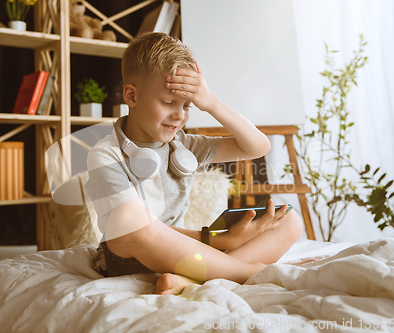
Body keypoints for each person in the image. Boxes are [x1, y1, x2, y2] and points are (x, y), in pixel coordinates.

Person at [85, 32, 303, 295]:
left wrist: (211, 103)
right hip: (128, 257)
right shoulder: (105, 154)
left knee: (290, 221)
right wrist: (217, 240)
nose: (179, 115)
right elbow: (134, 230)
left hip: (183, 253)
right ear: (131, 97)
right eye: (168, 103)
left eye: (187, 105)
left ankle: (191, 280)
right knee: (129, 221)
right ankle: (248, 272)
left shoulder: (184, 145)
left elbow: (258, 146)